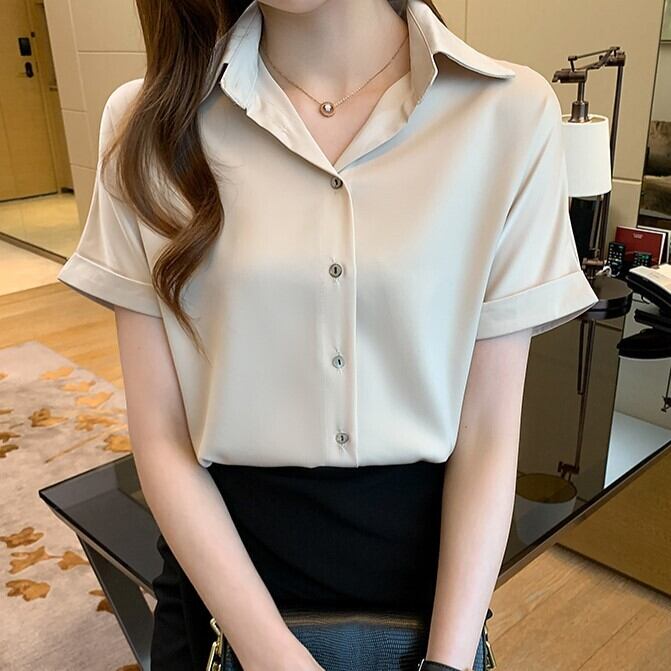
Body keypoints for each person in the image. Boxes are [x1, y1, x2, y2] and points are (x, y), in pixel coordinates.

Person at [57, 0, 599, 669]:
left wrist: (446, 662)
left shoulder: (509, 113)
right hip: (223, 599)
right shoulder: (147, 123)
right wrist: (270, 655)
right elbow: (161, 434)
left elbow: (487, 429)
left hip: (430, 613)